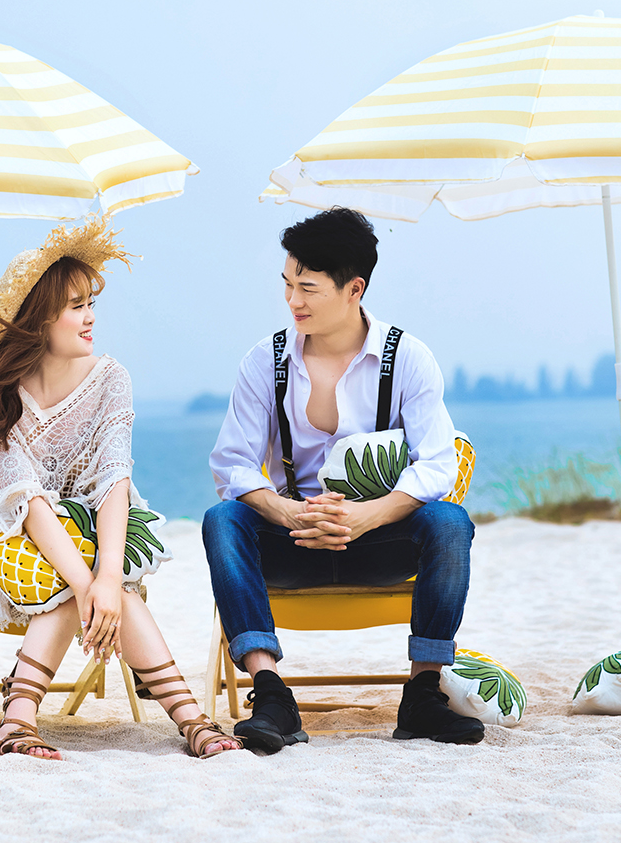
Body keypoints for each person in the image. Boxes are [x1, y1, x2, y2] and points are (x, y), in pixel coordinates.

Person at [0, 214, 241, 761]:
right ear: (39, 319)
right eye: (76, 306)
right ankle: (190, 718)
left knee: (106, 583)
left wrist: (105, 578)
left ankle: (18, 719)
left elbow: (113, 483)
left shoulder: (111, 379)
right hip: (7, 533)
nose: (90, 317)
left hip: (88, 530)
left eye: (91, 303)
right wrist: (88, 586)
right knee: (82, 583)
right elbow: (25, 501)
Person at [202, 207, 480, 751]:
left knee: (450, 523)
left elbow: (437, 464)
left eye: (308, 288)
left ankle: (423, 695)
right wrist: (288, 512)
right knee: (223, 520)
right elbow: (232, 462)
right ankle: (271, 693)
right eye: (287, 284)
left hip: (379, 540)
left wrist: (367, 515)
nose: (293, 301)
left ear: (355, 289)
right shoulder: (265, 362)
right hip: (295, 539)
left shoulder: (408, 358)